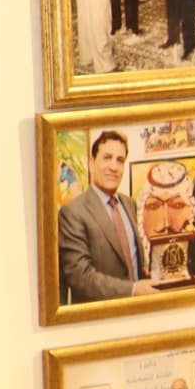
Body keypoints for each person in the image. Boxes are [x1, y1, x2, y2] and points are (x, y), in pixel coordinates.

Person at [59, 127, 147, 306]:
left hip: (139, 312)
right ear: (92, 163)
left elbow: (132, 264)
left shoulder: (129, 204)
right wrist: (132, 290)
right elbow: (80, 277)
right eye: (107, 158)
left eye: (120, 160)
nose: (113, 167)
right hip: (100, 317)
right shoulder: (72, 213)